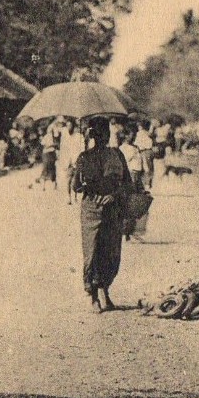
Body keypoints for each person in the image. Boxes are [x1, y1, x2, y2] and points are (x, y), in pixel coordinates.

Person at [71, 117, 133, 313]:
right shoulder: (84, 157)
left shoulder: (117, 155)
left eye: (104, 133)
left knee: (111, 251)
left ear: (108, 134)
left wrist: (113, 195)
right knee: (92, 252)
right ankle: (93, 296)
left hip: (112, 208)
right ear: (92, 135)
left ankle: (105, 290)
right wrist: (84, 180)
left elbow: (128, 184)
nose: (101, 137)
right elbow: (76, 186)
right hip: (91, 209)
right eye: (97, 133)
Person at [119, 129, 148, 241]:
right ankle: (128, 232)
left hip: (137, 176)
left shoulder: (135, 148)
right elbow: (124, 163)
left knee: (138, 203)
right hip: (130, 176)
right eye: (132, 135)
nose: (133, 137)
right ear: (126, 135)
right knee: (131, 203)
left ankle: (132, 231)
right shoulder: (124, 148)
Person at [57, 119, 84, 205]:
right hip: (67, 162)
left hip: (76, 161)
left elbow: (82, 148)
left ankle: (75, 196)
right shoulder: (64, 137)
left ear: (73, 126)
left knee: (75, 181)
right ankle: (68, 197)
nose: (69, 128)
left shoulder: (78, 136)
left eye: (70, 126)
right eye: (67, 126)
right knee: (67, 180)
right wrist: (62, 160)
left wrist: (80, 159)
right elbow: (62, 149)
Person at [32, 126, 58, 190]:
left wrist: (54, 145)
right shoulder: (46, 137)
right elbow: (44, 145)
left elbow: (57, 144)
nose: (51, 132)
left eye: (52, 130)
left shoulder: (54, 137)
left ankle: (54, 185)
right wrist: (52, 145)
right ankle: (43, 186)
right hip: (47, 153)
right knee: (45, 168)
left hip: (52, 153)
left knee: (53, 169)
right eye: (50, 130)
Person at [134, 120, 155, 190]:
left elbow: (136, 144)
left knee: (145, 168)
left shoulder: (139, 133)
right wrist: (152, 126)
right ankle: (149, 183)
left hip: (143, 152)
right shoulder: (147, 133)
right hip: (150, 151)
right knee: (150, 167)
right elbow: (150, 134)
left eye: (139, 126)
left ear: (140, 126)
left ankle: (146, 184)